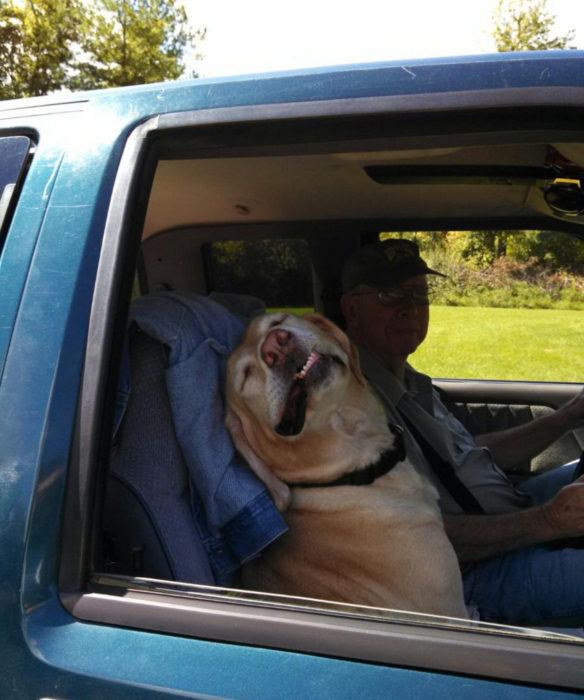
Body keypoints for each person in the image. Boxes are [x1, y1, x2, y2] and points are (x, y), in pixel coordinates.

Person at [340, 238, 584, 625]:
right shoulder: (354, 411)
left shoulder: (411, 382)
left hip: (509, 513)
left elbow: (468, 455)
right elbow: (406, 536)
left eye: (420, 294)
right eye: (390, 295)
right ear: (351, 310)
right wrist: (549, 521)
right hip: (470, 572)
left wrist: (566, 416)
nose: (411, 308)